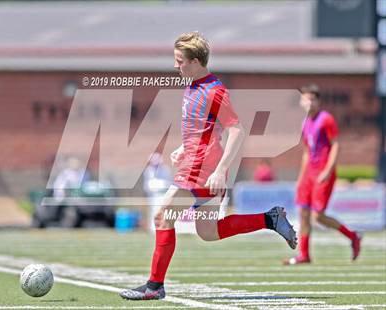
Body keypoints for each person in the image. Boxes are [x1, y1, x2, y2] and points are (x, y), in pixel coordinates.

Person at [120, 31, 297, 301]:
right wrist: (183, 148)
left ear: (195, 61)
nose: (176, 66)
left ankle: (155, 286)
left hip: (202, 168)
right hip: (197, 162)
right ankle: (269, 219)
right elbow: (203, 129)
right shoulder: (192, 85)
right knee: (208, 231)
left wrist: (218, 170)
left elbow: (237, 130)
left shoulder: (214, 90)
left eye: (180, 61)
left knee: (163, 216)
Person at [283, 84, 361, 265]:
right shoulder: (305, 122)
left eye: (312, 99)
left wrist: (328, 170)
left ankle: (353, 236)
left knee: (318, 216)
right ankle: (304, 255)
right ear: (301, 101)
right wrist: (301, 177)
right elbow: (307, 152)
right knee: (303, 212)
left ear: (318, 101)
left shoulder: (326, 119)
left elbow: (336, 145)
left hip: (322, 173)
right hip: (309, 174)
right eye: (306, 99)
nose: (309, 102)